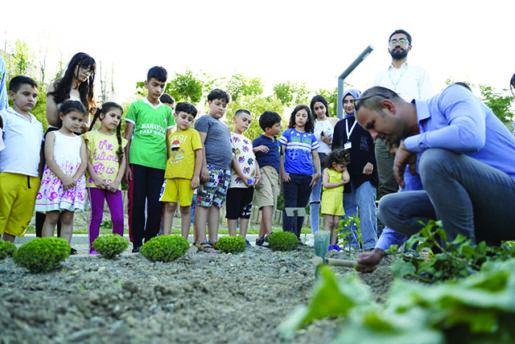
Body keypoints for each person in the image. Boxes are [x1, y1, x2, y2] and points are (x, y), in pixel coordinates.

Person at [354, 84, 515, 271]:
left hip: (509, 199)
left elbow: (470, 136)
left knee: (434, 160)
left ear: (389, 107)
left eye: (372, 126)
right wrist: (379, 251)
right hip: (484, 218)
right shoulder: (409, 150)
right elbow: (408, 197)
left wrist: (411, 144)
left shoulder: (450, 97)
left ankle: (460, 263)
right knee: (390, 207)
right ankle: (483, 254)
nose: (373, 137)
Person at [36, 52, 96, 238]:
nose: (87, 72)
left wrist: (80, 125)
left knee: (68, 200)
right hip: (56, 137)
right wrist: (70, 123)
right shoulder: (57, 85)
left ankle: (64, 245)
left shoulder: (86, 93)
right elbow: (52, 117)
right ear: (74, 64)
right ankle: (42, 239)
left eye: (90, 70)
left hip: (77, 142)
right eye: (84, 67)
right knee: (50, 191)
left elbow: (87, 122)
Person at [374, 29, 433, 200]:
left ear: (410, 46)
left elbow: (426, 103)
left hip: (410, 133)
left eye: (402, 40)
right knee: (386, 184)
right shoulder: (380, 76)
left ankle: (412, 226)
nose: (398, 43)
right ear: (388, 48)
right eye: (393, 41)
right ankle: (388, 226)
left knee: (413, 180)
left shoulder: (420, 73)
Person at [123, 66, 175, 253]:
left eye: (162, 86)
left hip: (159, 164)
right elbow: (126, 138)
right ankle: (137, 243)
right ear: (146, 84)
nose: (158, 90)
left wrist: (171, 165)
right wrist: (127, 165)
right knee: (137, 204)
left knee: (155, 205)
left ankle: (151, 241)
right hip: (138, 162)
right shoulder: (136, 106)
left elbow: (170, 141)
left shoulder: (167, 112)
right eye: (154, 85)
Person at [35, 100, 88, 253]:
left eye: (80, 120)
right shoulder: (52, 135)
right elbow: (49, 159)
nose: (77, 123)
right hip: (55, 180)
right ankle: (46, 248)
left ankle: (63, 249)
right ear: (62, 116)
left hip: (73, 182)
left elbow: (84, 161)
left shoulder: (80, 140)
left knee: (67, 218)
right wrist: (64, 178)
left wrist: (74, 179)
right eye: (73, 118)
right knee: (52, 217)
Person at [332, 89, 378, 250]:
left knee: (366, 208)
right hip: (345, 174)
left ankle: (370, 244)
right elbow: (335, 149)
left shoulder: (367, 121)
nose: (349, 105)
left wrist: (371, 162)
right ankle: (351, 244)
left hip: (365, 173)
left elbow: (375, 144)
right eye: (346, 102)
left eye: (352, 101)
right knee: (347, 210)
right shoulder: (339, 125)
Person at [0, 76, 43, 243]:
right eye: (26, 94)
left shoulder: (38, 124)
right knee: (2, 213)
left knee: (18, 219)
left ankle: (7, 251)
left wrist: (39, 177)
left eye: (34, 95)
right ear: (12, 94)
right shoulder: (5, 116)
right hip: (7, 174)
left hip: (31, 179)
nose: (31, 99)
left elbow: (39, 152)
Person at [83, 102, 127, 255]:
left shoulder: (119, 139)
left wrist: (117, 182)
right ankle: (93, 249)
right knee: (97, 217)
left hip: (114, 186)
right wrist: (95, 178)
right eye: (112, 115)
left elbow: (123, 163)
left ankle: (117, 247)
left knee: (118, 218)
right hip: (95, 184)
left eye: (118, 117)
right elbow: (86, 160)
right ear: (102, 116)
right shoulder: (91, 136)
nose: (115, 120)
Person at [194, 89, 232, 252]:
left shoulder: (224, 126)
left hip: (224, 171)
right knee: (203, 203)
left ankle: (214, 240)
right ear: (209, 103)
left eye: (224, 105)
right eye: (217, 104)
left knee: (216, 205)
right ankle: (200, 241)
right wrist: (203, 167)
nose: (221, 108)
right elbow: (199, 145)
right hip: (210, 168)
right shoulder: (204, 120)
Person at [161, 102, 202, 239]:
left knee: (185, 207)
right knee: (170, 205)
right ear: (175, 116)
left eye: (190, 119)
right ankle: (166, 237)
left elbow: (199, 155)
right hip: (171, 176)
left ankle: (183, 240)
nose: (186, 121)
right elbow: (169, 156)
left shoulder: (193, 134)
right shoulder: (171, 136)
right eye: (183, 117)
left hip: (187, 177)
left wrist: (196, 176)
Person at [280, 105, 321, 242]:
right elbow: (280, 153)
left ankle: (296, 237)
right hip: (290, 175)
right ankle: (288, 237)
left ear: (308, 118)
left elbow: (315, 157)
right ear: (294, 117)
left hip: (306, 177)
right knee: (290, 206)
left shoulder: (311, 137)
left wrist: (318, 173)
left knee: (300, 207)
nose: (301, 118)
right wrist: (283, 172)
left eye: (304, 115)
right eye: (298, 115)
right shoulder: (287, 133)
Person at [226, 109, 261, 248]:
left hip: (249, 183)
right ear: (235, 119)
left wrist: (257, 174)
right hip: (236, 182)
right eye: (244, 120)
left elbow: (253, 158)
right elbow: (233, 158)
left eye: (249, 122)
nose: (246, 124)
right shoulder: (230, 137)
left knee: (246, 211)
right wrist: (242, 176)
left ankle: (243, 238)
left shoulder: (248, 141)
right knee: (233, 211)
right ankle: (232, 238)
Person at [253, 111, 282, 246]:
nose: (280, 127)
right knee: (267, 202)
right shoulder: (258, 140)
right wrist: (256, 149)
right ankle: (269, 233)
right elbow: (247, 152)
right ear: (268, 129)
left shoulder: (276, 142)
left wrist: (280, 181)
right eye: (277, 125)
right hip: (263, 172)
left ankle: (260, 238)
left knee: (271, 205)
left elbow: (279, 160)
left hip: (274, 175)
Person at [309, 95, 335, 235]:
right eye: (316, 108)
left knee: (332, 197)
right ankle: (314, 232)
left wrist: (330, 141)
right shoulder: (311, 124)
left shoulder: (333, 121)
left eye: (321, 107)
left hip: (331, 161)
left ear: (326, 107)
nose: (319, 111)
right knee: (314, 198)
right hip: (315, 161)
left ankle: (332, 234)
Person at [321, 148, 350, 250]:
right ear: (334, 164)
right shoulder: (327, 171)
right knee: (329, 223)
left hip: (338, 200)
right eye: (342, 166)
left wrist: (344, 168)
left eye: (345, 166)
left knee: (336, 223)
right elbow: (326, 184)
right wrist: (340, 183)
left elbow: (347, 179)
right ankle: (325, 245)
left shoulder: (342, 172)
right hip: (329, 199)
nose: (343, 168)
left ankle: (333, 245)